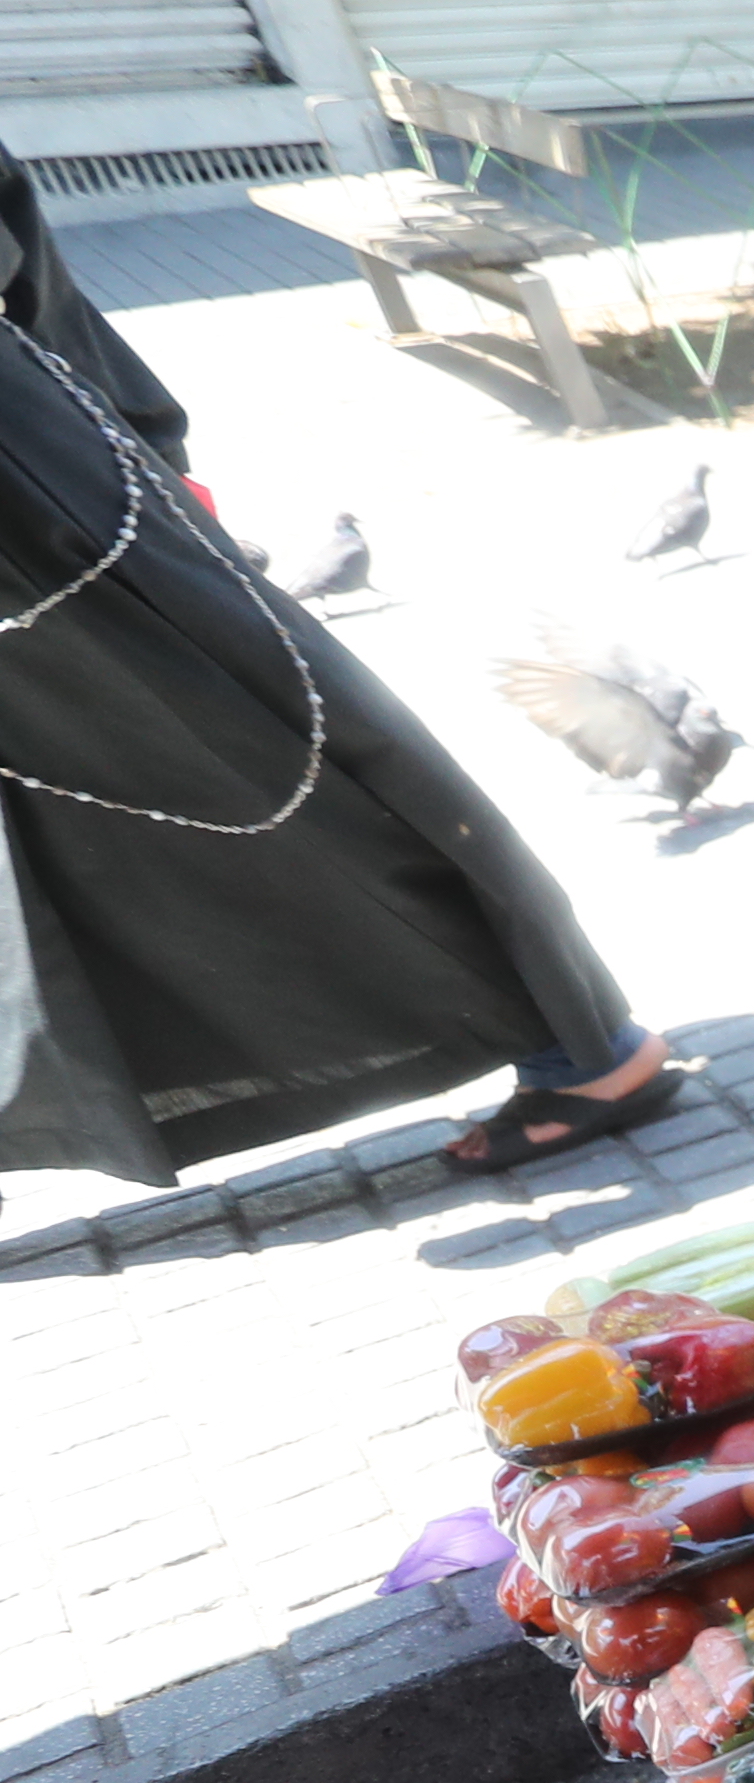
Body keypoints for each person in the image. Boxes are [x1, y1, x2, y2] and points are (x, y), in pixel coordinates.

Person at [0, 145, 677, 1185]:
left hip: (38, 526)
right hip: (49, 489)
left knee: (272, 773)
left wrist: (150, 457)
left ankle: (585, 1046)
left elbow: (28, 268)